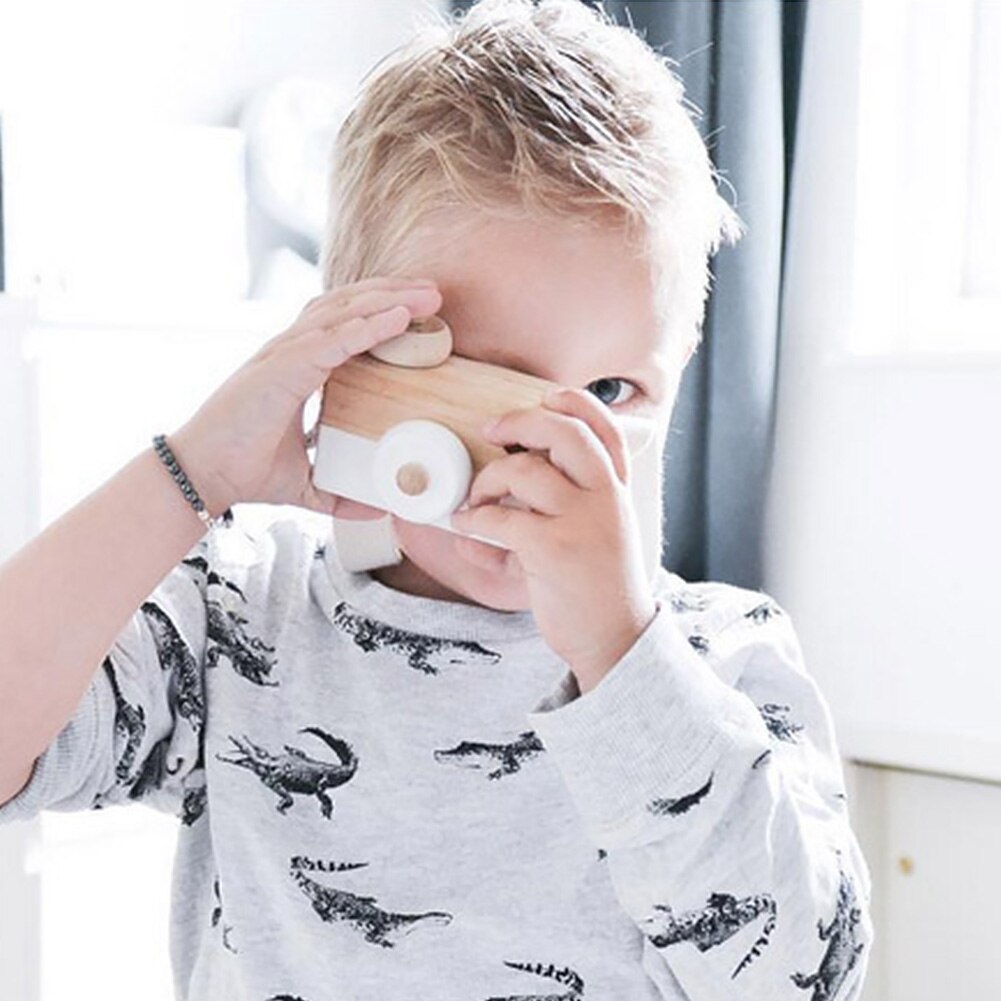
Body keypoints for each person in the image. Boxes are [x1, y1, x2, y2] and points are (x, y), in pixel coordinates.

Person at [0, 1, 873, 998]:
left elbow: (806, 973)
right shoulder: (237, 616)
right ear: (353, 350)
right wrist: (192, 473)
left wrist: (624, 654)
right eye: (487, 384)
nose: (549, 456)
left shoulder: (723, 661)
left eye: (610, 394)